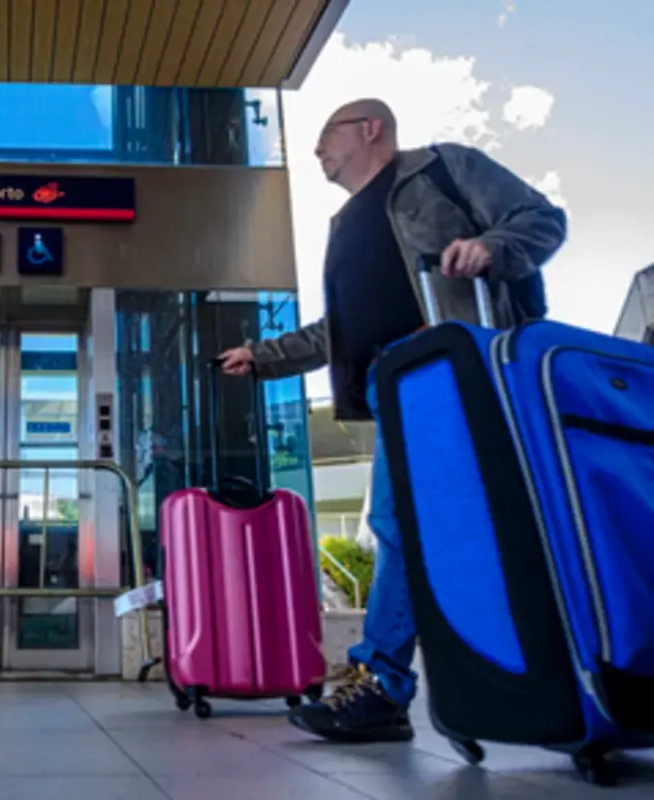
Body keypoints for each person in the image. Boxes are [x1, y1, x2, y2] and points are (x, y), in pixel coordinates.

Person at [220, 98, 566, 743]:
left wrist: (491, 247)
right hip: (398, 387)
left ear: (369, 128)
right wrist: (262, 357)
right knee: (412, 526)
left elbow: (542, 220)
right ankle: (389, 685)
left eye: (327, 135)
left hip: (462, 371)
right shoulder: (346, 223)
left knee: (413, 523)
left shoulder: (442, 169)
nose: (318, 150)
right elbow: (340, 331)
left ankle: (387, 683)